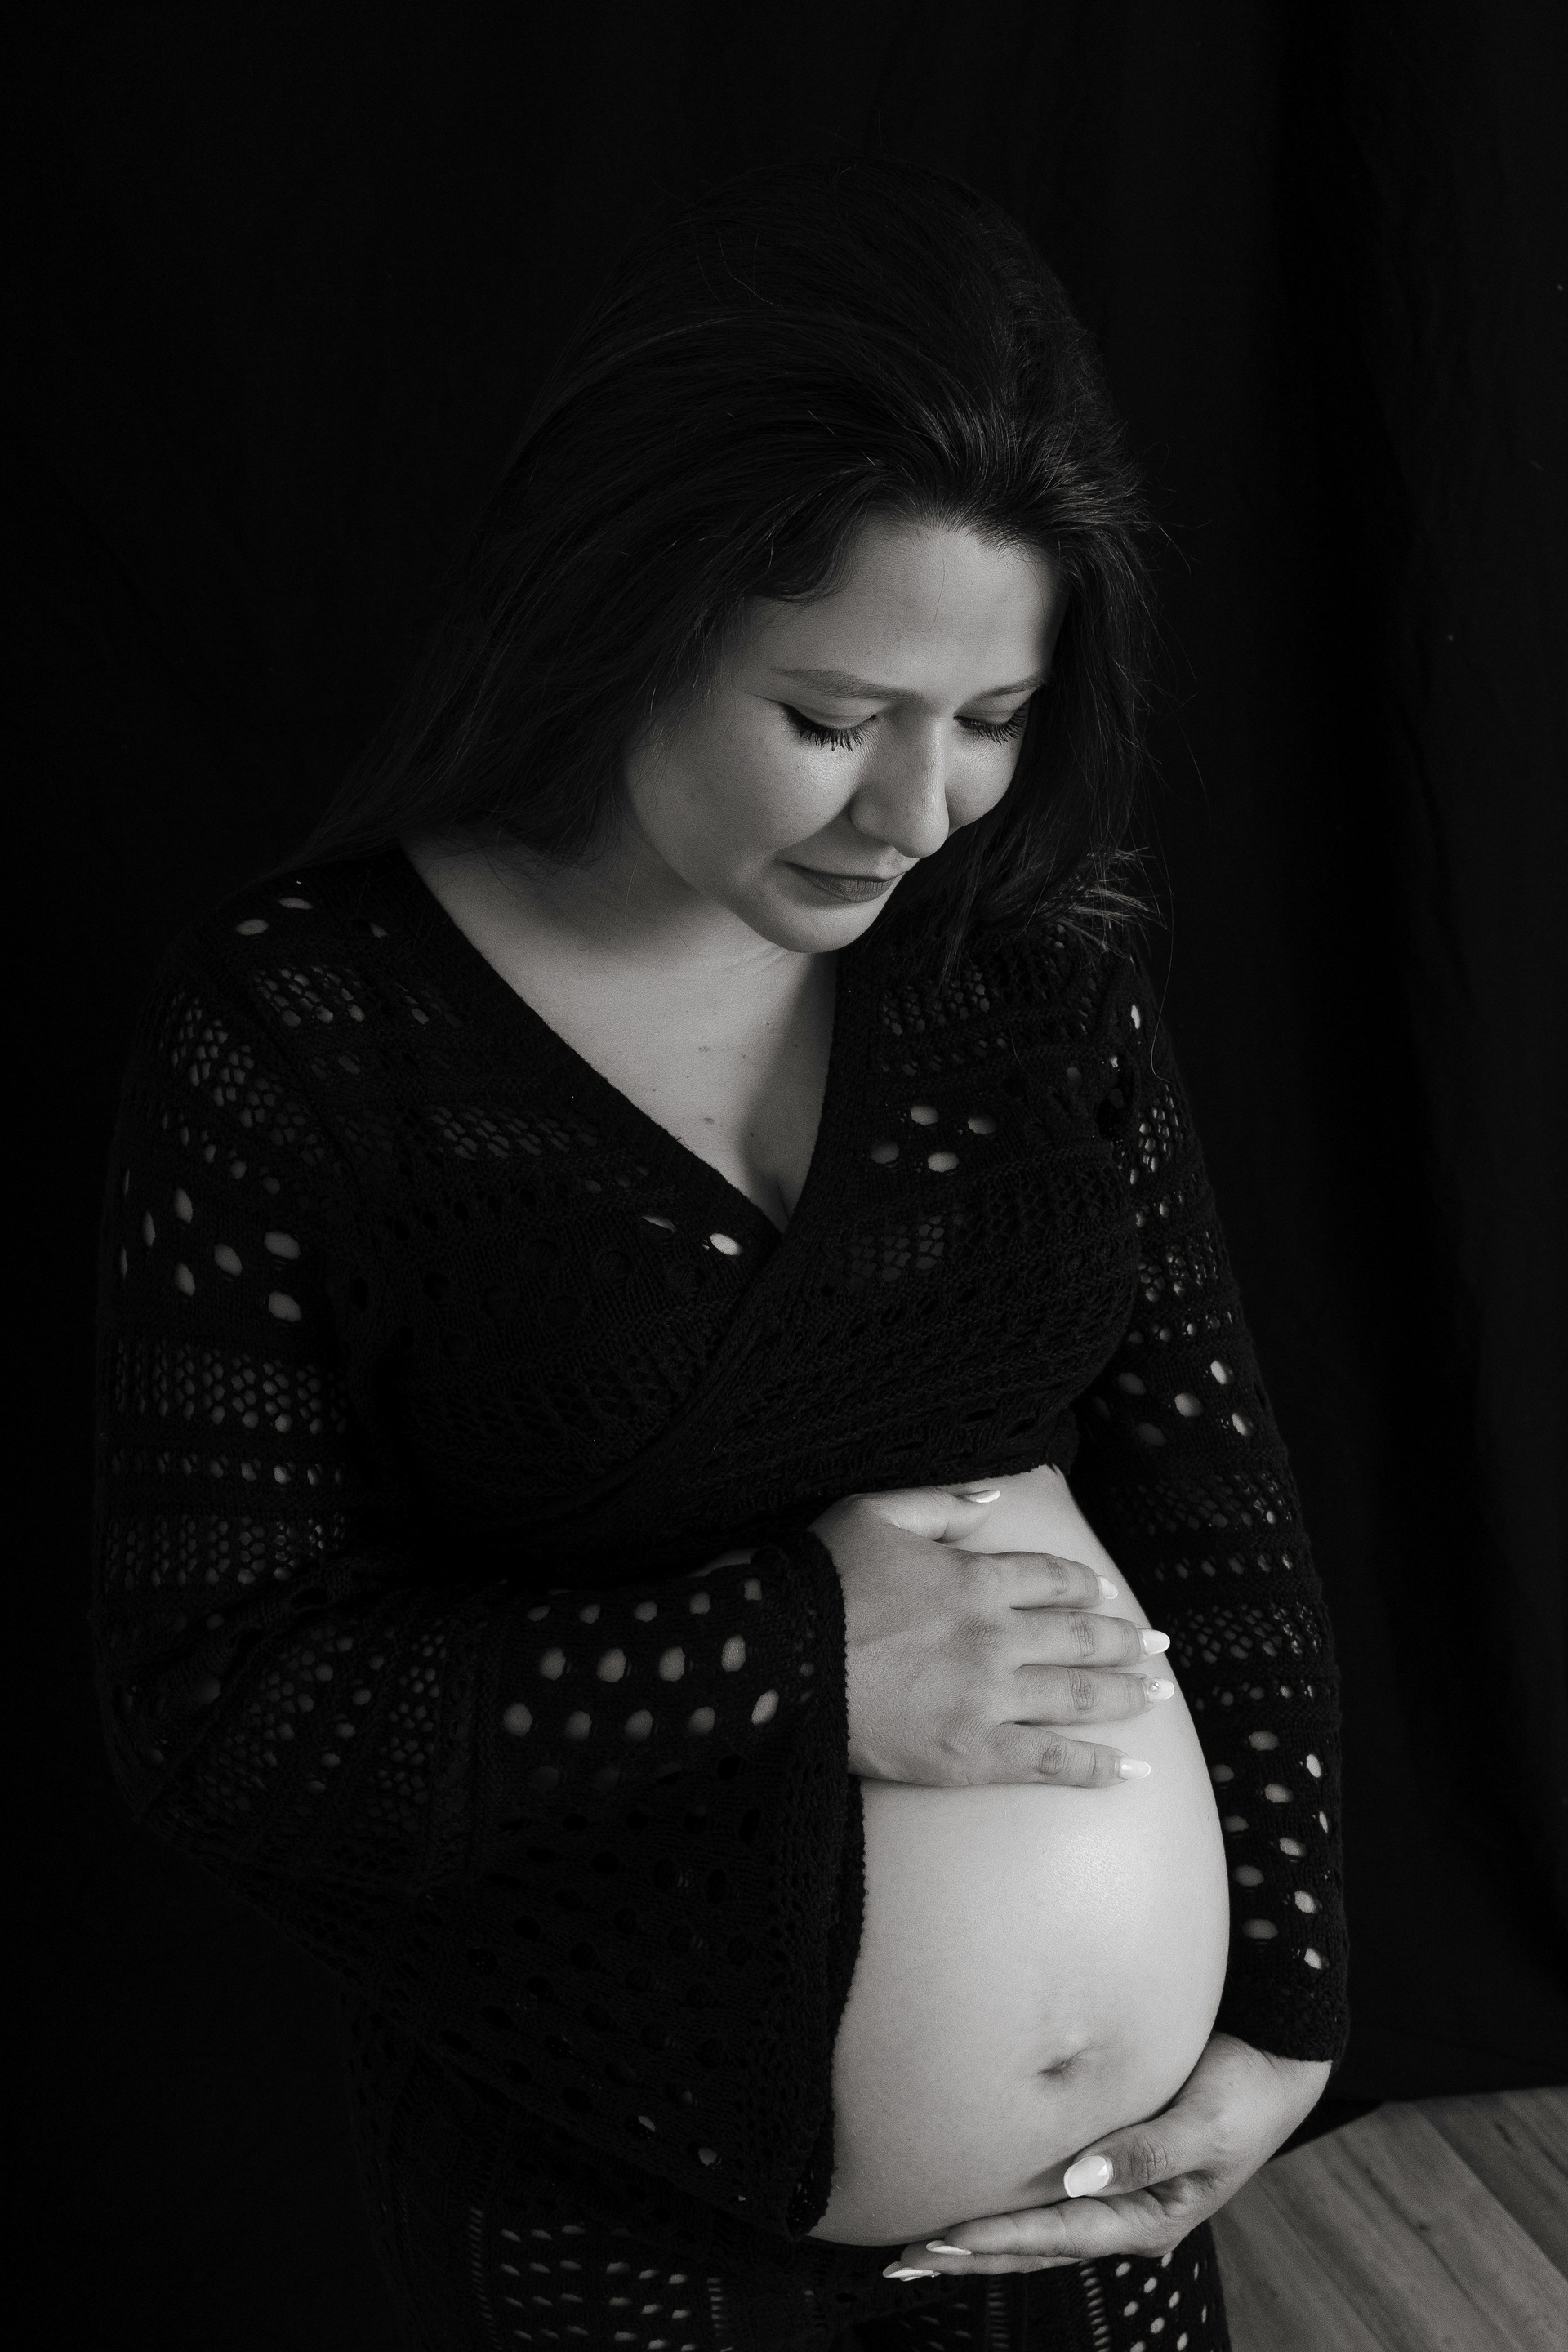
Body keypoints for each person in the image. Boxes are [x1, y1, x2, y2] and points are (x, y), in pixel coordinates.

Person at [91, 158, 1347, 2351]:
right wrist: (789, 1654)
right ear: (627, 611)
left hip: (1104, 2215)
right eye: (834, 720)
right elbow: (228, 1720)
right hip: (614, 2200)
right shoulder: (309, 1038)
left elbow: (1210, 1500)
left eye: (992, 721)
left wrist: (1289, 2014)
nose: (917, 815)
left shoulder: (1034, 975)